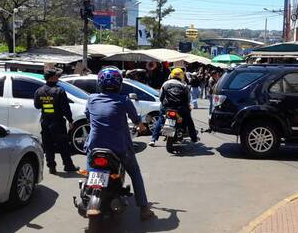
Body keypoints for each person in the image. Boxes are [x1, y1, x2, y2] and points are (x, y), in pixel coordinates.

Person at [83, 67, 155, 221]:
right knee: (135, 173)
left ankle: (87, 190)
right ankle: (143, 209)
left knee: (90, 170)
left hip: (95, 146)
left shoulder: (92, 99)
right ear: (119, 84)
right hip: (119, 147)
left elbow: (88, 116)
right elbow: (136, 119)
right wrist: (141, 126)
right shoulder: (124, 100)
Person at [34, 68, 80, 174]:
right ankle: (68, 166)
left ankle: (51, 167)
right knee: (63, 144)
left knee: (48, 145)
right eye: (57, 76)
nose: (58, 78)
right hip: (57, 122)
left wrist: (46, 103)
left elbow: (37, 106)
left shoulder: (39, 91)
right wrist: (70, 120)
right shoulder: (59, 90)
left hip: (45, 122)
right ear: (52, 78)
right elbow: (65, 107)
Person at [149, 68, 198, 147]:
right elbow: (188, 98)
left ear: (171, 75)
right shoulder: (183, 85)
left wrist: (163, 103)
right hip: (180, 108)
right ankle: (194, 138)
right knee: (189, 121)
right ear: (182, 76)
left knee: (160, 120)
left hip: (166, 107)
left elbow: (161, 97)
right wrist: (187, 106)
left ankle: (153, 139)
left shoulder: (165, 84)